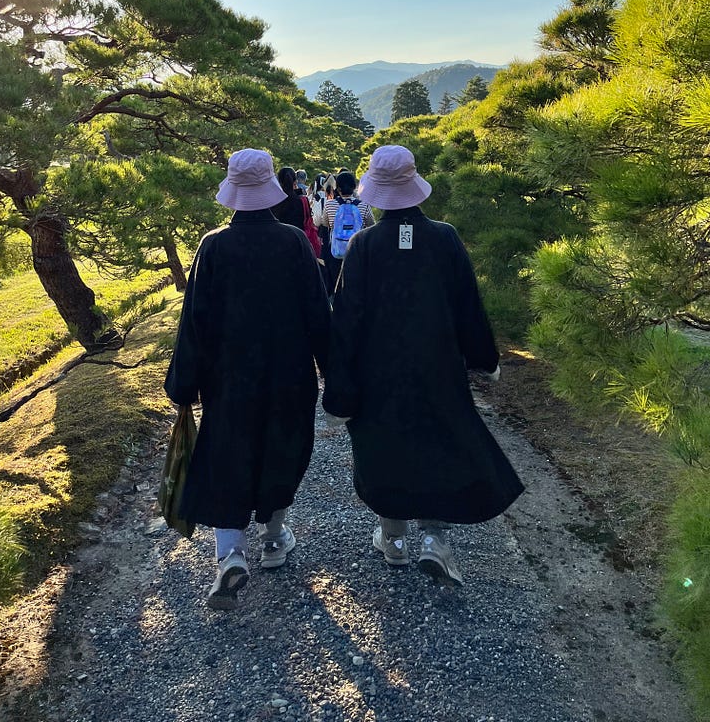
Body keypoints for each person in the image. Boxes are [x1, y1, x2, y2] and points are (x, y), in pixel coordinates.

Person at [322, 145, 523, 586]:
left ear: (375, 192)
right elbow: (468, 305)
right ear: (415, 187)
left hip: (379, 373)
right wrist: (484, 360)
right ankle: (435, 540)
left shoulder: (363, 245)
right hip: (438, 367)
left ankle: (393, 540)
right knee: (439, 444)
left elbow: (347, 319)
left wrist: (340, 385)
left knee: (384, 447)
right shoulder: (445, 237)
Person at [164, 149, 330, 610]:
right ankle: (275, 540)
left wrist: (184, 384)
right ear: (271, 193)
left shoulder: (213, 245)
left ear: (233, 193)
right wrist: (334, 373)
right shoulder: (295, 243)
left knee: (227, 454)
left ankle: (230, 555)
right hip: (289, 373)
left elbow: (194, 320)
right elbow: (319, 316)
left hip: (229, 377)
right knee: (283, 448)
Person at [319, 170, 374, 295]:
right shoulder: (364, 205)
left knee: (336, 288)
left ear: (337, 188)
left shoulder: (329, 205)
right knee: (356, 287)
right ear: (355, 187)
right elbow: (371, 225)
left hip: (336, 251)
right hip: (357, 250)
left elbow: (325, 223)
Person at [271, 166, 306, 230]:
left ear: (279, 181)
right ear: (295, 181)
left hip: (277, 235)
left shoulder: (273, 200)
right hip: (297, 236)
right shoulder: (301, 200)